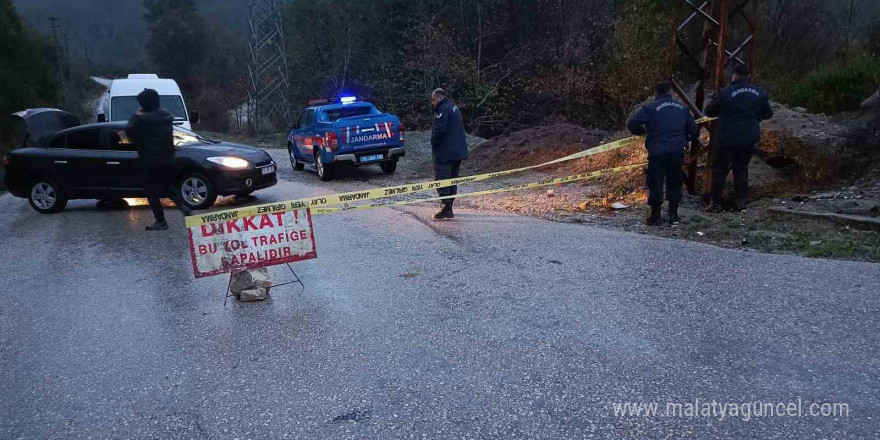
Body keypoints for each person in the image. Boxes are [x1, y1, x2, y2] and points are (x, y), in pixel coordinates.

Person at [627, 82, 701, 226]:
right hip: (676, 151)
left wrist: (643, 132)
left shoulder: (650, 108)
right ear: (670, 92)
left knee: (656, 182)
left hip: (657, 151)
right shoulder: (683, 108)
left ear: (656, 93)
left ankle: (655, 216)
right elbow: (694, 130)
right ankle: (673, 214)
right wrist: (686, 138)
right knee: (675, 181)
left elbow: (632, 124)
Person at [704, 64, 773, 212]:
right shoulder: (760, 93)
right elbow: (768, 114)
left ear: (733, 75)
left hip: (727, 137)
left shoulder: (725, 92)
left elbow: (709, 111)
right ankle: (741, 201)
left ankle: (716, 203)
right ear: (749, 75)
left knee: (720, 170)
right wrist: (754, 117)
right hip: (749, 137)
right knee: (741, 169)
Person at [125, 88, 191, 231]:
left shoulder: (140, 119)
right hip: (168, 160)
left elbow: (129, 133)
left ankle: (160, 221)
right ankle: (183, 205)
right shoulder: (166, 116)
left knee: (151, 192)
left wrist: (136, 115)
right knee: (168, 187)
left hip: (149, 162)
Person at [430, 88, 469, 220]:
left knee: (441, 180)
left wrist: (433, 143)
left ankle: (446, 207)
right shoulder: (453, 107)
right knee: (452, 180)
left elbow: (439, 131)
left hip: (445, 152)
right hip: (457, 152)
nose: (433, 103)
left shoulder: (442, 110)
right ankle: (449, 207)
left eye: (434, 100)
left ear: (439, 98)